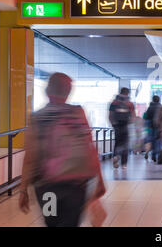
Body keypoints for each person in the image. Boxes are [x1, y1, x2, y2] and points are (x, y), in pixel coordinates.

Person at [19, 72, 106, 227]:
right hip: (75, 187)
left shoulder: (37, 117)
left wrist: (23, 189)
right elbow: (90, 148)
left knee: (52, 222)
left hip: (46, 188)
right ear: (68, 92)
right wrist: (99, 179)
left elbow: (31, 156)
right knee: (70, 223)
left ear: (47, 91)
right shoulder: (78, 113)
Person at [109, 87, 135, 169]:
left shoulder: (114, 102)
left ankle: (115, 156)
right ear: (128, 93)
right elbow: (133, 116)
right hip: (125, 125)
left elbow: (110, 115)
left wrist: (113, 124)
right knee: (125, 144)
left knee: (117, 142)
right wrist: (130, 123)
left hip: (116, 125)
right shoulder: (129, 103)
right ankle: (124, 164)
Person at [143, 95, 161, 162]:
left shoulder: (149, 107)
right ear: (159, 100)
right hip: (157, 126)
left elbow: (146, 117)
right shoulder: (160, 107)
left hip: (149, 126)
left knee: (149, 140)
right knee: (157, 140)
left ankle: (147, 152)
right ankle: (154, 155)